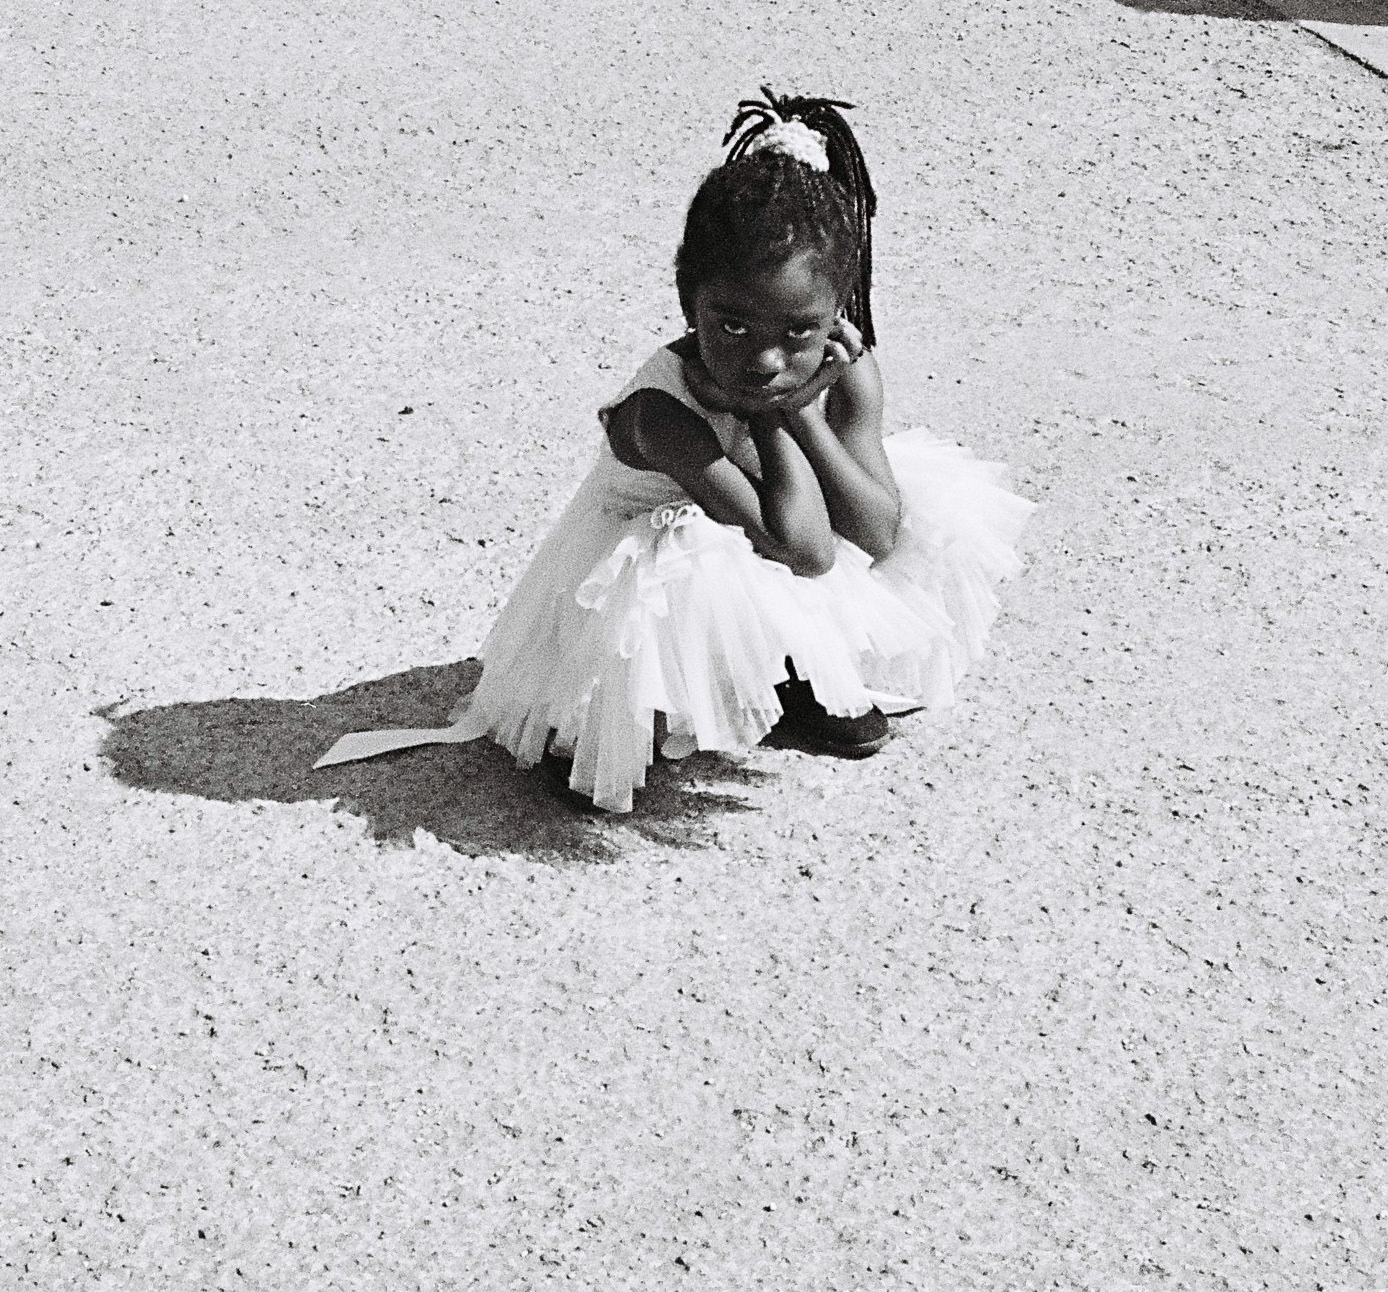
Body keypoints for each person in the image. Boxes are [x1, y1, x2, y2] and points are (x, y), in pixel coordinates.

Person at [313, 95, 1029, 815]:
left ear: (837, 312)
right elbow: (803, 550)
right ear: (689, 301)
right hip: (641, 578)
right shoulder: (659, 412)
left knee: (915, 519)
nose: (766, 357)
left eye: (798, 331)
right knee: (690, 564)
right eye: (734, 324)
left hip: (770, 523)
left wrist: (803, 414)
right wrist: (777, 411)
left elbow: (876, 534)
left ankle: (790, 675)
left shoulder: (845, 368)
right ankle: (600, 715)